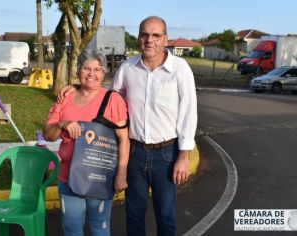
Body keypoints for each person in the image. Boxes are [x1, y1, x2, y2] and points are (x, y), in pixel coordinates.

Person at [59, 16, 197, 236]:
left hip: (167, 155)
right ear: (139, 37)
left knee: (165, 215)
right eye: (144, 35)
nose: (149, 40)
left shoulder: (180, 69)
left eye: (156, 35)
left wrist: (184, 155)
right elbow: (107, 99)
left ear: (165, 39)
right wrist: (79, 86)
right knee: (134, 215)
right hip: (135, 153)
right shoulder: (128, 68)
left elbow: (189, 113)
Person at [44, 49, 129, 236]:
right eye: (86, 68)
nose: (92, 74)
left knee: (100, 227)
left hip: (100, 178)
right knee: (72, 229)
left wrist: (121, 174)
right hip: (69, 178)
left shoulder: (113, 100)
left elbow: (123, 139)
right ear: (78, 71)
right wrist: (62, 124)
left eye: (97, 69)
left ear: (104, 73)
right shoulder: (65, 98)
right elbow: (48, 135)